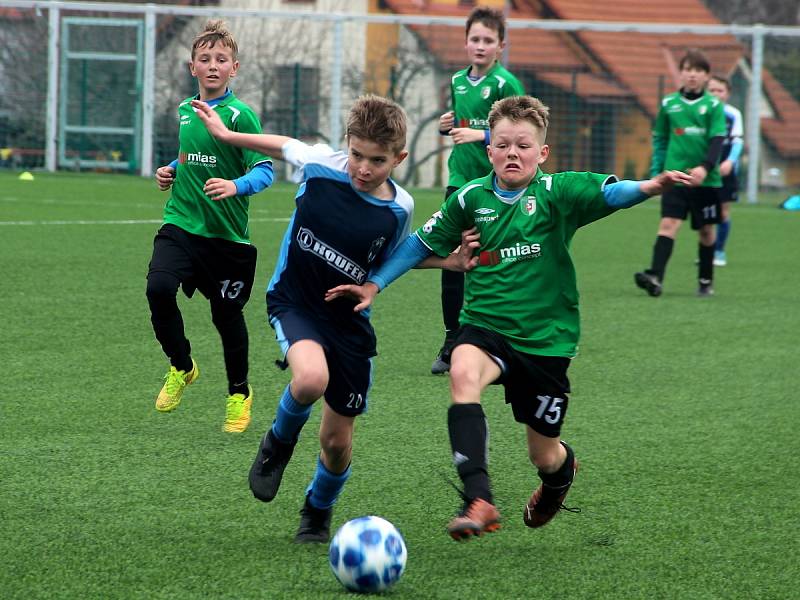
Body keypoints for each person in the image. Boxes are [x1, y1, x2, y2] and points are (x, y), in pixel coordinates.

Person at [325, 95, 692, 540]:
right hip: (485, 327)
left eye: (523, 145)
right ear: (488, 150)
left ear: (542, 153)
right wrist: (374, 284)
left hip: (545, 340)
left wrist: (652, 186)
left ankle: (559, 477)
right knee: (461, 372)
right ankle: (479, 499)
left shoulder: (558, 193)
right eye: (502, 144)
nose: (512, 153)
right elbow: (419, 244)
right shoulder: (470, 197)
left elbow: (611, 192)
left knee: (544, 454)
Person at [192, 94, 472, 543]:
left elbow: (395, 258)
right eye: (357, 155)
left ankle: (316, 512)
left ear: (398, 158)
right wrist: (227, 136)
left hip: (349, 324)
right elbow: (283, 146)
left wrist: (448, 262)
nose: (363, 168)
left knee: (337, 443)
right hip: (296, 301)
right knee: (308, 380)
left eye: (377, 161)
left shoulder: (399, 208)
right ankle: (277, 444)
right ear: (347, 144)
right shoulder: (321, 165)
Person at [147, 20, 273, 433]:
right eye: (205, 59)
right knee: (158, 289)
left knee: (226, 317)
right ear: (192, 68)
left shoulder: (241, 115)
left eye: (221, 60)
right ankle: (181, 365)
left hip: (226, 239)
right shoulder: (186, 111)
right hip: (181, 224)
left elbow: (266, 170)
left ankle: (239, 393)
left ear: (234, 68)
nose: (213, 66)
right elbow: (189, 156)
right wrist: (170, 169)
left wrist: (236, 185)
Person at [432, 5, 525, 375]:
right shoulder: (457, 80)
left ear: (500, 46)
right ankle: (452, 339)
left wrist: (481, 134)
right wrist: (447, 125)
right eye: (475, 39)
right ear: (466, 43)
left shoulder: (506, 84)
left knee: (499, 260)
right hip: (460, 182)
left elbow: (519, 131)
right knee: (454, 258)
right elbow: (460, 123)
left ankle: (507, 339)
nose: (481, 46)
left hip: (497, 185)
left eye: (488, 40)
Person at [635, 49, 727, 298]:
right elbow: (660, 139)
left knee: (707, 231)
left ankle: (705, 281)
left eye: (698, 70)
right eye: (687, 70)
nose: (692, 75)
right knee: (668, 224)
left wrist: (705, 168)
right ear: (681, 73)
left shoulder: (714, 106)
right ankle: (655, 276)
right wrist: (656, 174)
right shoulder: (668, 104)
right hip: (674, 177)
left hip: (706, 181)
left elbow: (718, 140)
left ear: (707, 76)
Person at [707, 75, 744, 267]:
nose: (715, 94)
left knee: (722, 211)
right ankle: (707, 251)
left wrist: (730, 162)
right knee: (706, 212)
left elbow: (737, 141)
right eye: (711, 90)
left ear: (727, 94)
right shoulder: (702, 113)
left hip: (725, 171)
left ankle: (719, 251)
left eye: (719, 90)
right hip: (706, 169)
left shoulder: (733, 114)